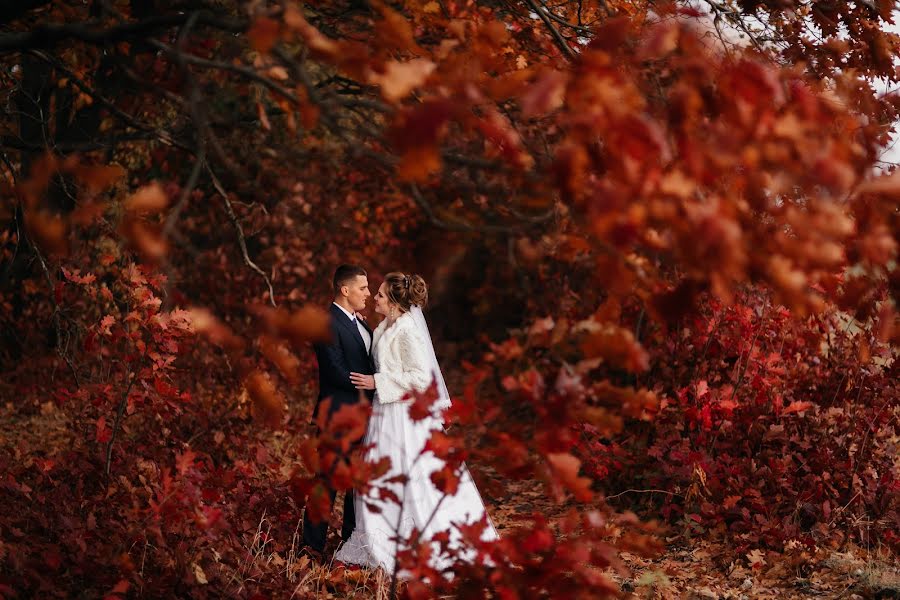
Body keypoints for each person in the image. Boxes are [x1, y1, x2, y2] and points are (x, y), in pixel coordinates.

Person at [333, 272, 498, 575]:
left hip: (404, 417)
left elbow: (422, 379)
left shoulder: (407, 329)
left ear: (395, 302)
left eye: (381, 294)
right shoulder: (385, 326)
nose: (375, 298)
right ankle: (377, 542)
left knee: (410, 475)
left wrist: (377, 381)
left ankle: (422, 543)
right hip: (383, 415)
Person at [301, 264, 375, 561]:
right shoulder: (327, 322)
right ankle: (310, 549)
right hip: (338, 415)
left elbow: (366, 358)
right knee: (328, 483)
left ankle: (349, 544)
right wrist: (374, 387)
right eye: (363, 288)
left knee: (356, 483)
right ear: (345, 290)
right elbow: (335, 372)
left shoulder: (358, 322)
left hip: (363, 415)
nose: (368, 294)